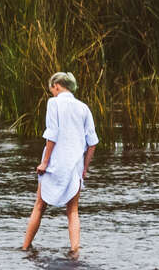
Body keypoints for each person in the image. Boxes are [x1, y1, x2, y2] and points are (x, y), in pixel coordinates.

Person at [21, 70, 100, 257]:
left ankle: (25, 248)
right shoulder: (83, 108)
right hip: (74, 166)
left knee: (39, 206)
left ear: (56, 86)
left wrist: (44, 162)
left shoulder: (53, 103)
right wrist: (85, 168)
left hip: (55, 163)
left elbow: (52, 134)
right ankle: (75, 250)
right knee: (73, 211)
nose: (52, 93)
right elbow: (93, 142)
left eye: (52, 90)